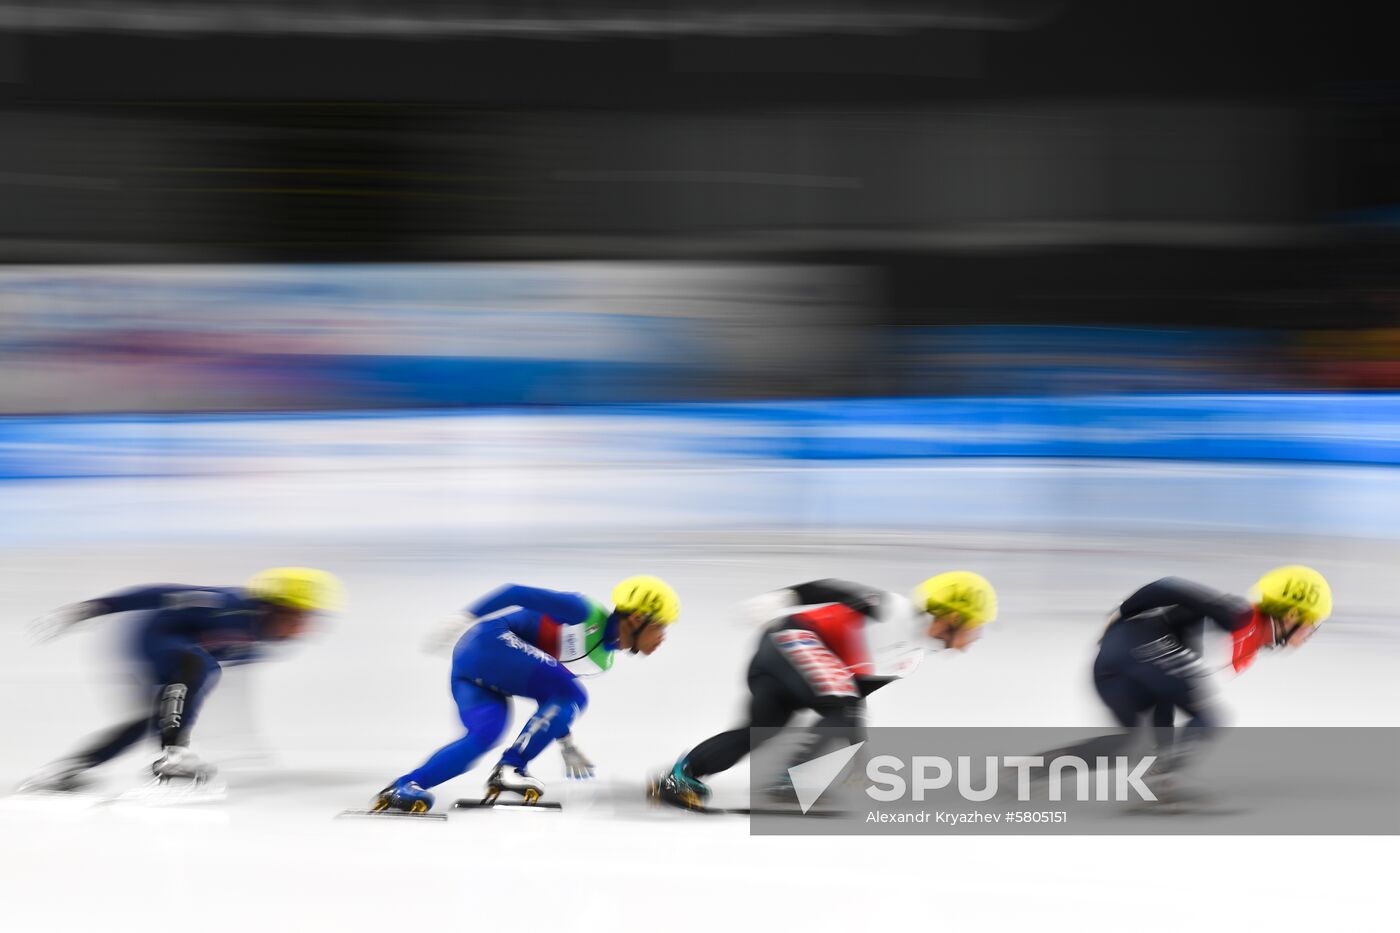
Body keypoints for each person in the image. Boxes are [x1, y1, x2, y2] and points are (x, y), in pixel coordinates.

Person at [649, 572, 997, 811]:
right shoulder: (893, 610)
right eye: (974, 628)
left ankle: (680, 777)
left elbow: (851, 702)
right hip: (791, 639)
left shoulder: (909, 661)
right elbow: (831, 589)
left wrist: (856, 751)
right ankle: (788, 785)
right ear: (952, 616)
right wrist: (784, 597)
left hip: (782, 663)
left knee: (759, 733)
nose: (974, 640)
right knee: (841, 711)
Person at [371, 575, 680, 813]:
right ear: (637, 619)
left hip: (479, 670)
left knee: (483, 737)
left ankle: (405, 786)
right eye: (661, 627)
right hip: (488, 642)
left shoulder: (602, 661)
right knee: (576, 695)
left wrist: (565, 739)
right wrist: (464, 616)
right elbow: (515, 592)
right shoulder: (584, 613)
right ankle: (511, 768)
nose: (663, 639)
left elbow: (552, 697)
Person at [1014, 565, 1332, 794]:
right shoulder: (1240, 615)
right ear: (1291, 616)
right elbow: (1168, 586)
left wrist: (1164, 752)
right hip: (1133, 649)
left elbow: (1167, 687)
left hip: (1115, 669)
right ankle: (1162, 779)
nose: (1310, 635)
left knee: (1129, 743)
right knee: (1209, 717)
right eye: (1311, 625)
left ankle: (1027, 770)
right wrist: (1122, 612)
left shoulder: (1243, 638)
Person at [20, 567, 344, 791]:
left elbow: (225, 691)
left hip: (182, 661)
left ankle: (62, 772)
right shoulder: (227, 606)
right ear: (275, 607)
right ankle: (174, 757)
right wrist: (87, 610)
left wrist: (236, 737)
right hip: (154, 640)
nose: (305, 629)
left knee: (150, 720)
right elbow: (159, 593)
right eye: (302, 616)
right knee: (202, 665)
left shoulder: (260, 645)